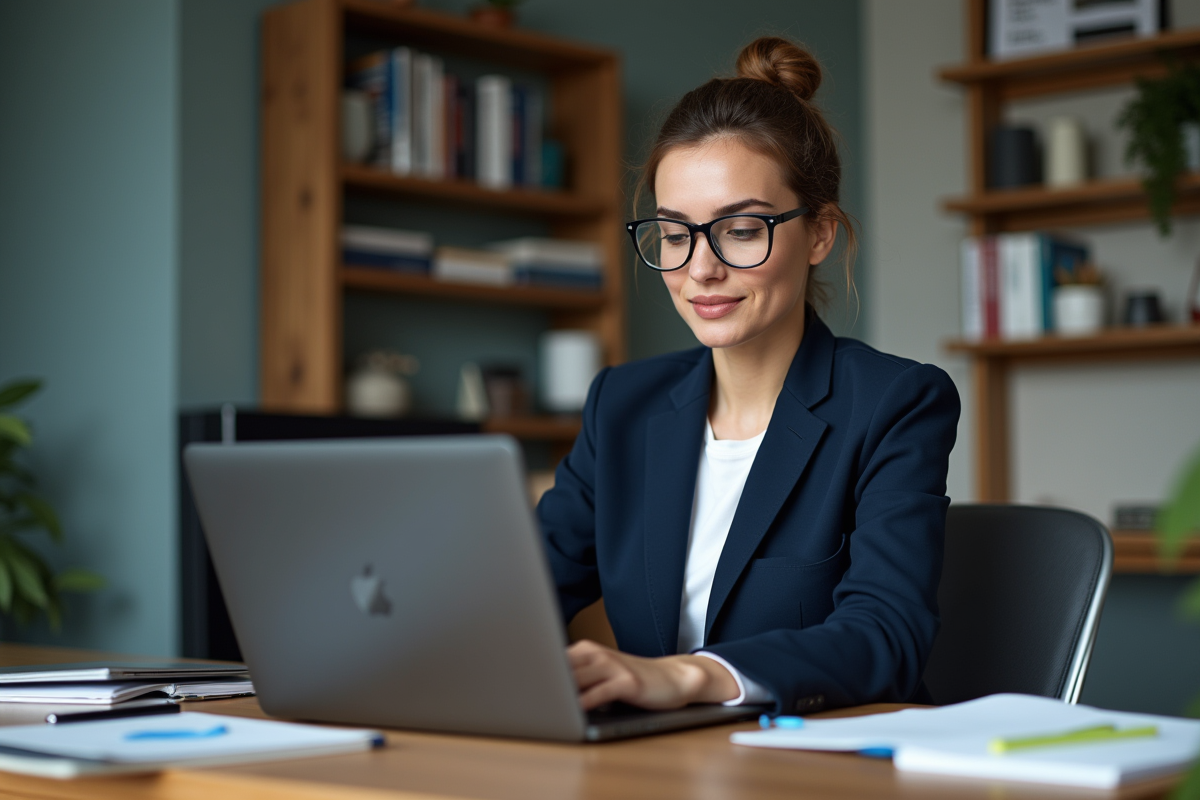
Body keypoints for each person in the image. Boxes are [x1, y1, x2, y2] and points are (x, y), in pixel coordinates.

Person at [537, 36, 960, 716]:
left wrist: (691, 677)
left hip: (822, 758)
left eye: (739, 229)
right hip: (655, 759)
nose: (700, 269)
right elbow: (519, 596)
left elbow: (887, 636)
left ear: (819, 234)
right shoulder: (621, 406)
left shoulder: (896, 403)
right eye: (676, 234)